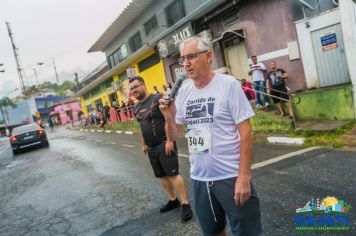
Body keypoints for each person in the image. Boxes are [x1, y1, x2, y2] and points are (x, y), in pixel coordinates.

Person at [159, 36, 262, 235]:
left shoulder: (228, 84)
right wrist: (169, 117)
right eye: (183, 59)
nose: (186, 63)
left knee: (247, 232)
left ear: (208, 56)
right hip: (200, 178)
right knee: (213, 231)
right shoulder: (183, 91)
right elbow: (173, 134)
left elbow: (246, 132)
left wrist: (244, 177)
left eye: (191, 56)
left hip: (230, 176)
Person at [128, 76, 193, 222]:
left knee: (173, 174)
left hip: (165, 143)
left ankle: (185, 203)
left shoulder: (158, 99)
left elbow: (168, 120)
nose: (134, 90)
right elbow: (142, 126)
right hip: (151, 148)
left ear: (143, 85)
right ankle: (172, 200)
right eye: (131, 89)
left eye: (136, 87)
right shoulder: (136, 107)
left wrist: (169, 141)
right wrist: (143, 144)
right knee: (161, 176)